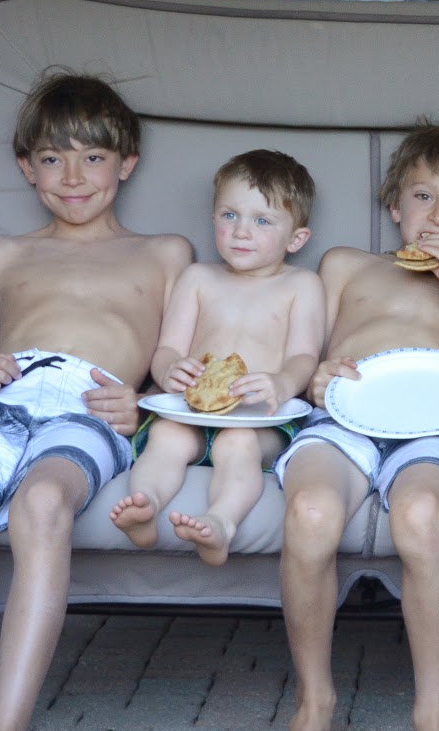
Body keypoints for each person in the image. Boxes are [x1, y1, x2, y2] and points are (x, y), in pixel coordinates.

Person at [0, 71, 192, 731]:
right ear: (27, 168)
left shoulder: (165, 253)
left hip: (90, 403)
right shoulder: (1, 254)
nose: (73, 177)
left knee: (42, 503)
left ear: (126, 164)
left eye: (94, 157)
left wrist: (145, 405)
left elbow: (179, 367)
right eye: (53, 159)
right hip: (1, 394)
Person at [266, 122, 439, 731]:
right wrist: (315, 377)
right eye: (423, 197)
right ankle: (314, 702)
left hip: (435, 425)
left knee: (421, 517)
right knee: (311, 512)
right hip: (344, 413)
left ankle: (433, 716)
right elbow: (307, 354)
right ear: (395, 206)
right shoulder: (346, 265)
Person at [109, 149, 325, 565]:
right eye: (230, 215)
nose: (241, 231)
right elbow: (169, 349)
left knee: (237, 444)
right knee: (166, 438)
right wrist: (170, 370)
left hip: (258, 418)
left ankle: (221, 521)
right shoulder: (198, 278)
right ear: (213, 220)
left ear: (296, 239)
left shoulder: (301, 285)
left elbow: (303, 355)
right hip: (189, 412)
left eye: (262, 221)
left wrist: (281, 382)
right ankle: (146, 504)